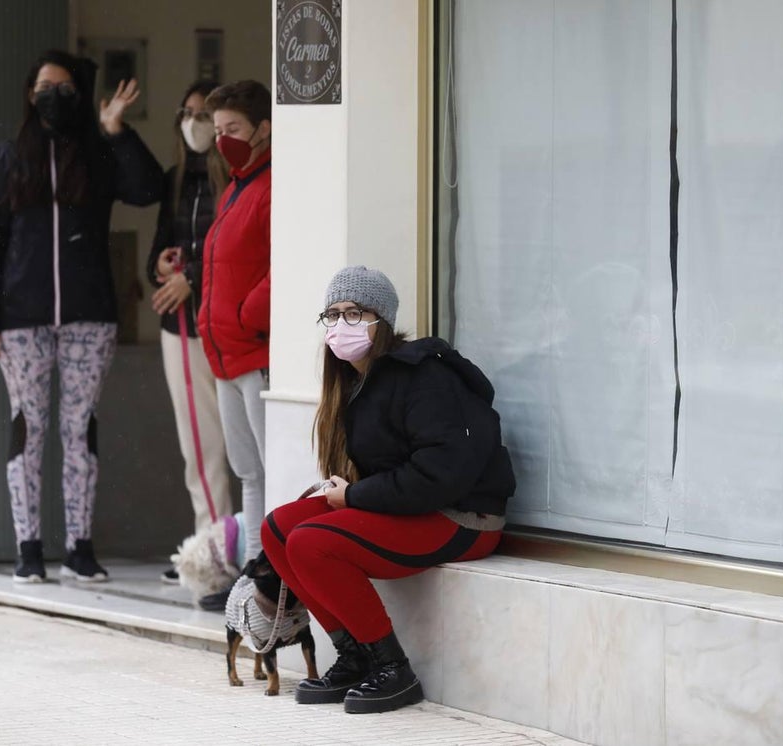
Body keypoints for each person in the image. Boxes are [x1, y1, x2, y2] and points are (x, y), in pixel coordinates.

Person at [261, 266, 516, 714]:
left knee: (312, 542)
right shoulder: (358, 381)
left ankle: (392, 669)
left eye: (355, 313)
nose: (342, 325)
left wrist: (355, 498)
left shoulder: (424, 377)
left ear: (382, 320)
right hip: (414, 509)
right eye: (333, 314)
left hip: (462, 517)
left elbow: (438, 477)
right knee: (280, 528)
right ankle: (355, 655)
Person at [0, 50, 163, 584]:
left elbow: (147, 190)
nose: (52, 93)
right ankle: (28, 547)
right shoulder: (7, 159)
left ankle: (79, 545)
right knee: (28, 430)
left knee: (79, 432)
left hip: (89, 319)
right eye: (42, 85)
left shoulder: (97, 156)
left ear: (77, 93)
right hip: (20, 321)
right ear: (30, 95)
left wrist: (116, 130)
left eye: (62, 85)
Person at [147, 80, 233, 585]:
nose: (195, 123)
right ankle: (210, 548)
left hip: (226, 326)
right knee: (198, 448)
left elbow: (237, 248)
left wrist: (193, 277)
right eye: (188, 113)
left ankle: (239, 550)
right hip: (179, 329)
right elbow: (159, 245)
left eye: (207, 115)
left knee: (238, 446)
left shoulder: (236, 180)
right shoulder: (175, 179)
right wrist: (160, 266)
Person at [197, 80, 272, 570]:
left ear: (263, 128)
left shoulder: (273, 187)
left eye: (235, 128)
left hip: (255, 353)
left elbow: (283, 266)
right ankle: (254, 570)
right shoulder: (234, 187)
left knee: (273, 469)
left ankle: (279, 573)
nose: (225, 139)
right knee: (248, 473)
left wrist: (249, 315)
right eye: (219, 129)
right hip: (225, 356)